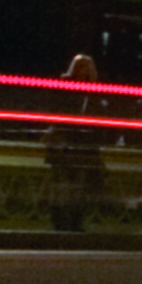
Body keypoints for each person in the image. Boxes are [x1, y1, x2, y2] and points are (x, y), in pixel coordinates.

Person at [43, 53, 105, 235]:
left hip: (84, 146)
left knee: (79, 186)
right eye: (80, 66)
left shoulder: (94, 94)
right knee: (63, 186)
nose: (83, 71)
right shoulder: (64, 89)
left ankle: (74, 221)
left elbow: (98, 118)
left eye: (86, 67)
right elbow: (57, 113)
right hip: (65, 143)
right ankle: (61, 221)